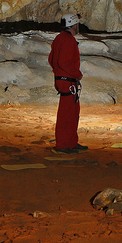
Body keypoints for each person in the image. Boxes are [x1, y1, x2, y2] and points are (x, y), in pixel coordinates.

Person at [49, 14, 87, 154]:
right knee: (67, 114)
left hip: (63, 79)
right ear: (74, 25)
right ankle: (63, 145)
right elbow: (64, 62)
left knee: (72, 112)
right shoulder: (68, 40)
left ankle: (71, 142)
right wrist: (77, 74)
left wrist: (57, 73)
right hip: (68, 80)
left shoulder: (59, 38)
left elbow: (52, 59)